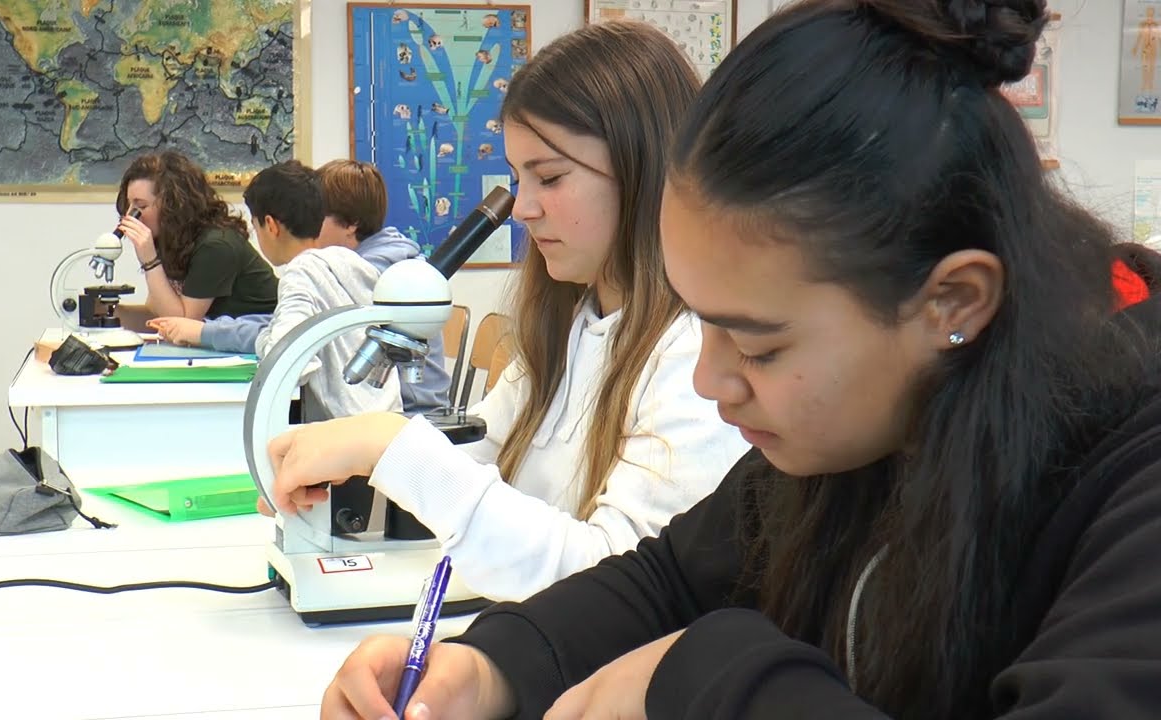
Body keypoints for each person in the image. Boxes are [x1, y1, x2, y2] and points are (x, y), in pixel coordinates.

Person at [319, 1, 1161, 718]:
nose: (707, 378)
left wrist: (704, 675)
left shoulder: (1130, 483)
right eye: (705, 323)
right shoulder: (856, 428)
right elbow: (669, 580)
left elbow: (692, 637)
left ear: (953, 303)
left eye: (758, 343)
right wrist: (492, 669)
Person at [265, 21, 749, 602]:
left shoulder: (697, 360)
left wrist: (393, 446)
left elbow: (621, 588)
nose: (522, 208)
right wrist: (350, 464)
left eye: (549, 177)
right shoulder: (570, 326)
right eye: (519, 178)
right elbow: (483, 458)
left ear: (643, 169)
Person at [149, 159, 453, 412]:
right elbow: (287, 323)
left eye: (319, 216)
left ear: (351, 224)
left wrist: (205, 332)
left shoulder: (374, 275)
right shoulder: (343, 267)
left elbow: (292, 341)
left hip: (412, 419)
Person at [115, 151, 278, 322]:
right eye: (129, 204)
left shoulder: (215, 245)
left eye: (140, 206)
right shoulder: (171, 241)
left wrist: (150, 262)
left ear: (174, 206)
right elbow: (158, 315)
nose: (130, 215)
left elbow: (182, 323)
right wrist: (110, 313)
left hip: (261, 336)